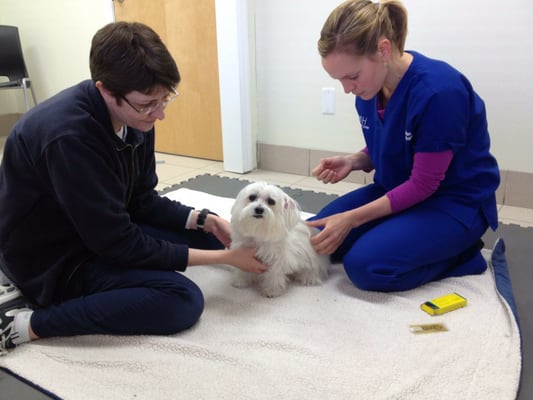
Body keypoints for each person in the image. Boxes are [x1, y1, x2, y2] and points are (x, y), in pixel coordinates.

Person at [0, 21, 267, 354]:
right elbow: (115, 243)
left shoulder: (136, 116)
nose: (159, 113)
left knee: (211, 232)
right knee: (181, 299)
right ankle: (26, 325)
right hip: (54, 260)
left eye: (165, 99)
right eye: (147, 104)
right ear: (105, 90)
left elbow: (141, 200)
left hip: (97, 230)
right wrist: (224, 257)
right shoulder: (68, 137)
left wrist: (204, 219)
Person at [307, 0, 500, 292]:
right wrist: (355, 161)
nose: (347, 89)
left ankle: (463, 255)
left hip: (453, 203)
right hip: (397, 189)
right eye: (339, 80)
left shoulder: (439, 92)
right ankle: (396, 237)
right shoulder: (370, 89)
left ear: (383, 50)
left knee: (365, 266)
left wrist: (351, 219)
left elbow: (424, 183)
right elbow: (395, 142)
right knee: (315, 238)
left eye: (352, 76)